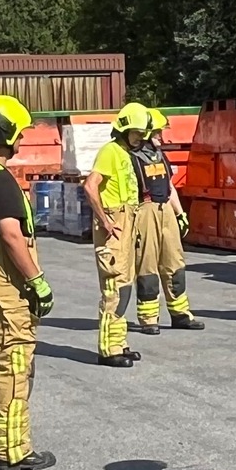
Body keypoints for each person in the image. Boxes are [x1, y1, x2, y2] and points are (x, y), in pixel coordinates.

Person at [0, 95, 57, 470]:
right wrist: (37, 281)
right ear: (7, 135)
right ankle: (14, 451)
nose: (23, 138)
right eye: (20, 131)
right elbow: (11, 235)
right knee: (13, 367)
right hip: (7, 292)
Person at [84, 102, 150, 368]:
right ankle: (107, 350)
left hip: (128, 223)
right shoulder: (110, 151)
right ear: (123, 130)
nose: (141, 138)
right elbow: (90, 186)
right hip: (115, 227)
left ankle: (119, 342)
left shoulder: (124, 153)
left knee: (124, 288)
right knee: (113, 289)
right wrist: (105, 221)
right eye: (137, 133)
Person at [130, 109, 202, 335]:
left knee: (175, 263)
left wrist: (180, 214)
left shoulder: (160, 155)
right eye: (158, 132)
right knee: (148, 265)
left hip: (166, 211)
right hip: (145, 210)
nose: (162, 137)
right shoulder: (131, 158)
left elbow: (169, 187)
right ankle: (149, 318)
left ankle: (180, 314)